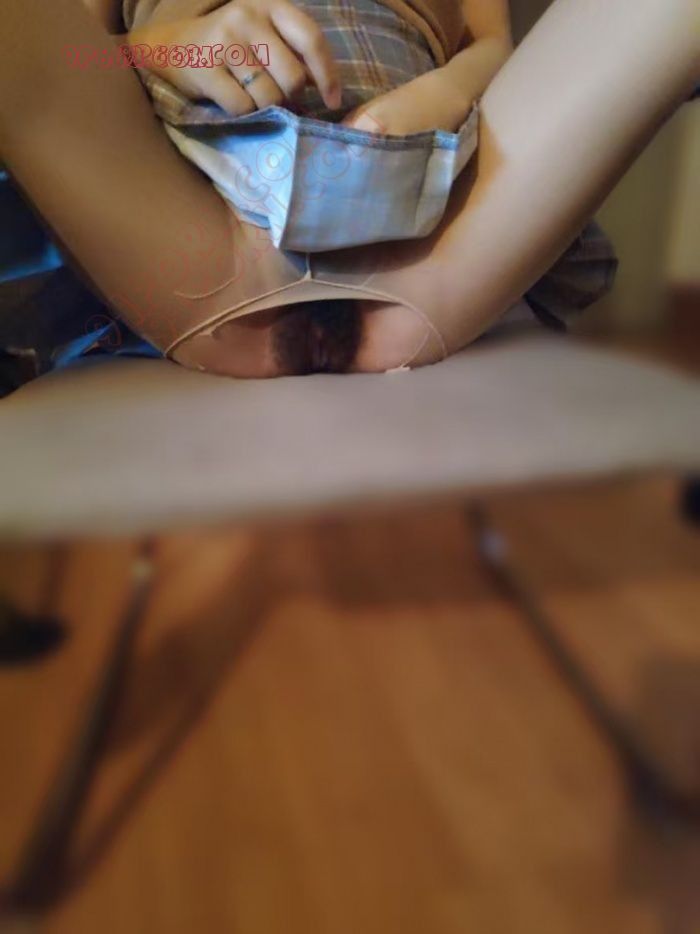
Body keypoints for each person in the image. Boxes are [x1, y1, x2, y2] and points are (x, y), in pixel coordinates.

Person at [0, 0, 697, 379]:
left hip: (434, 228)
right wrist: (172, 47)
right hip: (188, 230)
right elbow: (76, 54)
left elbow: (493, 48)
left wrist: (448, 90)